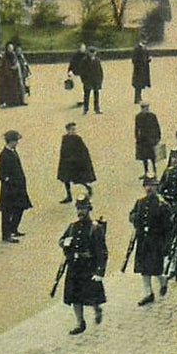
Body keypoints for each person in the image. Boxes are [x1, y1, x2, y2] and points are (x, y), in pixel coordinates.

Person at [59, 197, 107, 335]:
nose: (80, 211)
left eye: (83, 208)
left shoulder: (95, 228)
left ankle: (96, 308)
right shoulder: (72, 226)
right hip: (75, 266)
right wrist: (64, 243)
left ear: (89, 209)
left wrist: (99, 271)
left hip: (88, 266)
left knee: (91, 294)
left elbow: (102, 251)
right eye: (79, 208)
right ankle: (80, 322)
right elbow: (61, 240)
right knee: (74, 296)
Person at [128, 176, 173, 306]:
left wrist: (166, 245)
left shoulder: (162, 204)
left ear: (157, 187)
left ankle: (163, 281)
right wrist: (135, 218)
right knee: (143, 268)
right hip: (143, 239)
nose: (149, 188)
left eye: (152, 185)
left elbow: (168, 227)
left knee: (155, 267)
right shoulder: (140, 202)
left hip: (156, 240)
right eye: (147, 185)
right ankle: (148, 293)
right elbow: (132, 215)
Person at [0, 130, 32, 244]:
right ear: (11, 141)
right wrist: (11, 182)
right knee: (7, 212)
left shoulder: (13, 151)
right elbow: (2, 174)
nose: (17, 143)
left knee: (20, 208)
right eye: (16, 141)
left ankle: (13, 229)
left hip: (18, 187)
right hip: (10, 190)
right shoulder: (4, 155)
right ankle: (6, 234)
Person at [57, 122, 96, 203]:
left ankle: (87, 187)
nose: (74, 131)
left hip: (76, 163)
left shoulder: (78, 139)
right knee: (66, 180)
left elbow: (83, 151)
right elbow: (63, 151)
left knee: (78, 178)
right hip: (67, 163)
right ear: (67, 130)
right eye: (72, 130)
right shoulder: (65, 138)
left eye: (74, 129)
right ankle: (69, 196)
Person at [134, 101, 162, 178]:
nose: (145, 109)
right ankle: (146, 172)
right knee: (144, 158)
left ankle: (154, 172)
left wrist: (158, 137)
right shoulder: (138, 117)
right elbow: (136, 128)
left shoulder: (152, 116)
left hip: (151, 139)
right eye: (143, 108)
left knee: (153, 157)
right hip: (143, 140)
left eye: (146, 108)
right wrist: (137, 138)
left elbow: (157, 127)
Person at [0, 42, 26, 107]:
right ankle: (9, 102)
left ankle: (19, 101)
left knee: (18, 87)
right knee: (8, 88)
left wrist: (16, 67)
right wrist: (10, 68)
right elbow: (3, 66)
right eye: (9, 48)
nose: (10, 49)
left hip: (15, 75)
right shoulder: (4, 57)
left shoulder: (14, 55)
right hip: (8, 75)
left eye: (11, 48)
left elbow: (18, 63)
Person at [82, 47, 104, 115]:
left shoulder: (97, 60)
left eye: (93, 52)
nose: (92, 54)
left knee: (96, 95)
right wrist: (84, 80)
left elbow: (100, 71)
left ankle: (96, 109)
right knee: (87, 95)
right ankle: (85, 109)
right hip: (88, 80)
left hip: (95, 80)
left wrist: (100, 80)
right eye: (91, 52)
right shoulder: (84, 61)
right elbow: (82, 71)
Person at [67, 44, 89, 109]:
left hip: (84, 74)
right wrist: (70, 71)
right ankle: (80, 100)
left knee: (84, 87)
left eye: (84, 48)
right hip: (77, 73)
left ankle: (84, 100)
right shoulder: (76, 56)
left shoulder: (86, 56)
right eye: (82, 48)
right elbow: (72, 63)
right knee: (78, 87)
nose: (83, 49)